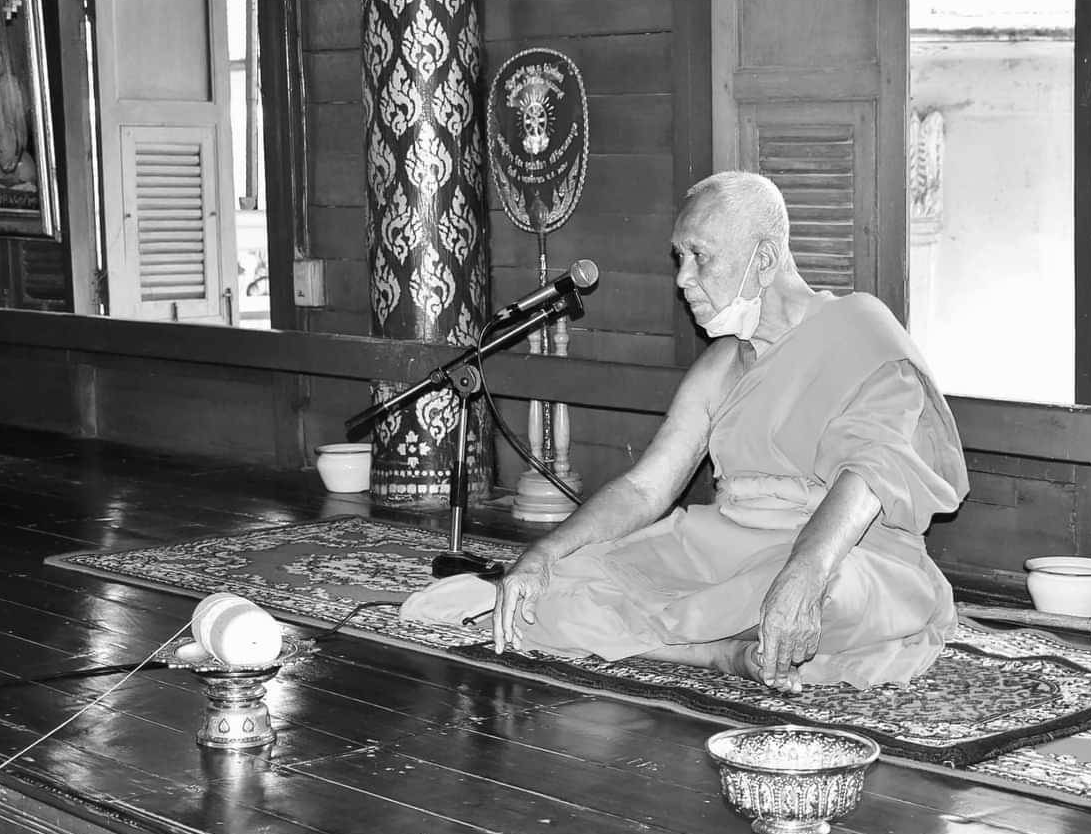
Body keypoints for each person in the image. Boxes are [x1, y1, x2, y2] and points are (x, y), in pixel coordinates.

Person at [403, 171, 969, 692]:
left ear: (764, 258)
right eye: (679, 257)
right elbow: (645, 489)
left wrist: (804, 573)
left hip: (841, 548)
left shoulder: (859, 329)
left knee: (837, 597)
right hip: (724, 548)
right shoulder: (719, 365)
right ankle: (721, 654)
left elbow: (871, 473)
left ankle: (735, 625)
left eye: (700, 256)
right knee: (542, 597)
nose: (683, 279)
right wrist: (543, 555)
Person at [0, 35, 36, 194]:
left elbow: (22, 126)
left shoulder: (15, 84)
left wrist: (16, 159)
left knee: (29, 172)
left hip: (17, 155)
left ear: (6, 57)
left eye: (0, 55)